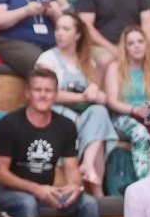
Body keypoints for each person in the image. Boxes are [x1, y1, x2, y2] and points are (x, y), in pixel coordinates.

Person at [0, 67, 104, 217]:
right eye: (38, 90)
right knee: (27, 203)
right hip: (12, 193)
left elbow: (72, 169)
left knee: (88, 204)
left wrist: (74, 186)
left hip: (47, 193)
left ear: (55, 94)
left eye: (48, 91)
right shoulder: (10, 123)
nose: (43, 95)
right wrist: (36, 189)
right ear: (27, 93)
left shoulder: (65, 126)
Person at [35, 10, 142, 196]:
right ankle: (98, 190)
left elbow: (101, 97)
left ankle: (88, 168)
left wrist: (97, 94)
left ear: (77, 35)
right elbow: (48, 94)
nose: (59, 33)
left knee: (99, 113)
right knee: (96, 131)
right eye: (57, 28)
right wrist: (84, 97)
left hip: (82, 117)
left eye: (65, 29)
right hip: (56, 115)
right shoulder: (47, 59)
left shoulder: (87, 62)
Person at [100, 26, 150, 178]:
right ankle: (146, 183)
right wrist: (134, 109)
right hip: (123, 115)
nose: (136, 46)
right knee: (140, 133)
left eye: (140, 41)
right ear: (125, 48)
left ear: (147, 44)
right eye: (131, 43)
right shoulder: (115, 68)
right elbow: (112, 101)